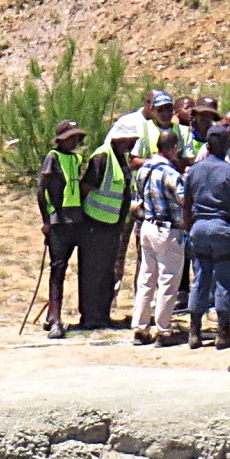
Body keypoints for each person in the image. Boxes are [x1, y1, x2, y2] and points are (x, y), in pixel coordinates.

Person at [179, 125, 230, 349]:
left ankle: (194, 331)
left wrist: (189, 228)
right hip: (223, 229)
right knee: (224, 280)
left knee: (200, 278)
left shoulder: (195, 170)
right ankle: (222, 331)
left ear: (207, 146)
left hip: (199, 228)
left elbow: (187, 204)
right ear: (227, 147)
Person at [130, 132, 188, 345]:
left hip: (147, 225)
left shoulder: (143, 169)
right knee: (168, 279)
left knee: (146, 278)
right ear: (173, 148)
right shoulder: (170, 174)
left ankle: (140, 328)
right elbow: (184, 199)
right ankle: (163, 330)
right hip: (167, 230)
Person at [76, 128, 137, 331]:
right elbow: (86, 187)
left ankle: (103, 314)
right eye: (129, 140)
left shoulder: (121, 158)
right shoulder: (102, 157)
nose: (131, 144)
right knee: (93, 273)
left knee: (107, 272)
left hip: (112, 224)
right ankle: (90, 317)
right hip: (95, 223)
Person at [34, 120, 90, 338]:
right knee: (58, 269)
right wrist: (46, 220)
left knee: (73, 268)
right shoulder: (53, 157)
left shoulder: (76, 159)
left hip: (77, 219)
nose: (75, 141)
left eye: (76, 137)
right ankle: (55, 319)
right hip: (59, 221)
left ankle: (57, 316)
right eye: (71, 137)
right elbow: (42, 190)